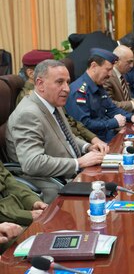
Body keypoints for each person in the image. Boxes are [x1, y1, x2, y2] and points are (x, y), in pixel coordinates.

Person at [6, 59, 107, 203]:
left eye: (67, 82)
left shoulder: (52, 102)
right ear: (40, 84)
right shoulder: (28, 114)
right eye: (60, 82)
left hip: (71, 173)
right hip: (48, 182)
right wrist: (78, 163)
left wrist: (88, 147)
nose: (67, 88)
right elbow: (32, 163)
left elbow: (66, 137)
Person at [16, 50, 107, 148]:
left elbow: (69, 121)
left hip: (75, 143)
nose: (67, 89)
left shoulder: (52, 95)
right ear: (31, 73)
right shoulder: (29, 101)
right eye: (47, 67)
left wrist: (91, 142)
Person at [65, 48, 134, 142]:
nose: (110, 74)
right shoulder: (79, 92)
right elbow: (84, 125)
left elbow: (112, 108)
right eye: (108, 70)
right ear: (94, 66)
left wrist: (131, 117)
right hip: (94, 143)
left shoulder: (98, 85)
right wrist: (113, 122)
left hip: (108, 136)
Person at [0, 161, 47, 226]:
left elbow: (8, 181)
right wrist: (28, 215)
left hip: (19, 211)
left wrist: (32, 202)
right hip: (6, 222)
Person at [104, 45, 134, 112]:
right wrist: (133, 104)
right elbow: (108, 104)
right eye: (129, 62)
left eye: (132, 62)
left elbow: (125, 99)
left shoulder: (122, 75)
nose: (131, 66)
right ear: (117, 61)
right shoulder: (108, 77)